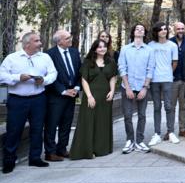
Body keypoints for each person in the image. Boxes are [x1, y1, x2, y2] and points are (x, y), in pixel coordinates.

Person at [0, 32, 57, 173]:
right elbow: (2, 76)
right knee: (14, 130)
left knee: (37, 129)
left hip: (38, 98)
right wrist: (18, 77)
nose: (40, 43)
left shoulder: (45, 57)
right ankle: (9, 160)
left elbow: (53, 73)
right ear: (27, 44)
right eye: (37, 41)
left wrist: (44, 80)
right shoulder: (12, 58)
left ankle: (35, 158)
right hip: (17, 100)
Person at [69, 39, 117, 159]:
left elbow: (113, 77)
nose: (102, 49)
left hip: (105, 96)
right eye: (99, 47)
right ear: (95, 49)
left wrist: (112, 91)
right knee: (89, 121)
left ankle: (101, 149)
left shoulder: (110, 62)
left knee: (103, 122)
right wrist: (89, 96)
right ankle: (87, 150)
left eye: (104, 46)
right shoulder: (88, 62)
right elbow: (84, 80)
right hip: (91, 95)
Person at [44, 30, 82, 162]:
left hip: (72, 94)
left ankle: (62, 149)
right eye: (67, 38)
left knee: (66, 123)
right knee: (52, 124)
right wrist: (63, 91)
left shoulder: (74, 52)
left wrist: (76, 88)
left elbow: (79, 72)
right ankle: (50, 152)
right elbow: (49, 76)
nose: (70, 39)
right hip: (56, 96)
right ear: (59, 41)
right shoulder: (49, 54)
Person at [118, 24, 154, 155]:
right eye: (137, 29)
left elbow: (150, 70)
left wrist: (145, 88)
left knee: (142, 115)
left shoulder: (149, 50)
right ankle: (129, 140)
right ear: (133, 32)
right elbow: (122, 68)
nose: (140, 30)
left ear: (144, 33)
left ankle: (139, 140)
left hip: (142, 87)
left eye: (142, 29)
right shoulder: (125, 49)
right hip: (127, 87)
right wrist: (127, 87)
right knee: (127, 115)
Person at [148, 22, 180, 146]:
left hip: (167, 79)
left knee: (169, 106)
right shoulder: (150, 45)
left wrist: (168, 73)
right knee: (156, 106)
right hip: (154, 80)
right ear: (156, 31)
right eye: (161, 29)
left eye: (165, 29)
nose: (163, 31)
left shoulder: (172, 45)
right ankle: (156, 134)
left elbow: (175, 62)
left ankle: (171, 132)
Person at [170, 22, 185, 138]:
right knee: (171, 106)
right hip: (172, 79)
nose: (180, 31)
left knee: (184, 106)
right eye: (178, 29)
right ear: (174, 30)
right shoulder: (169, 42)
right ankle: (170, 130)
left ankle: (182, 129)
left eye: (182, 28)